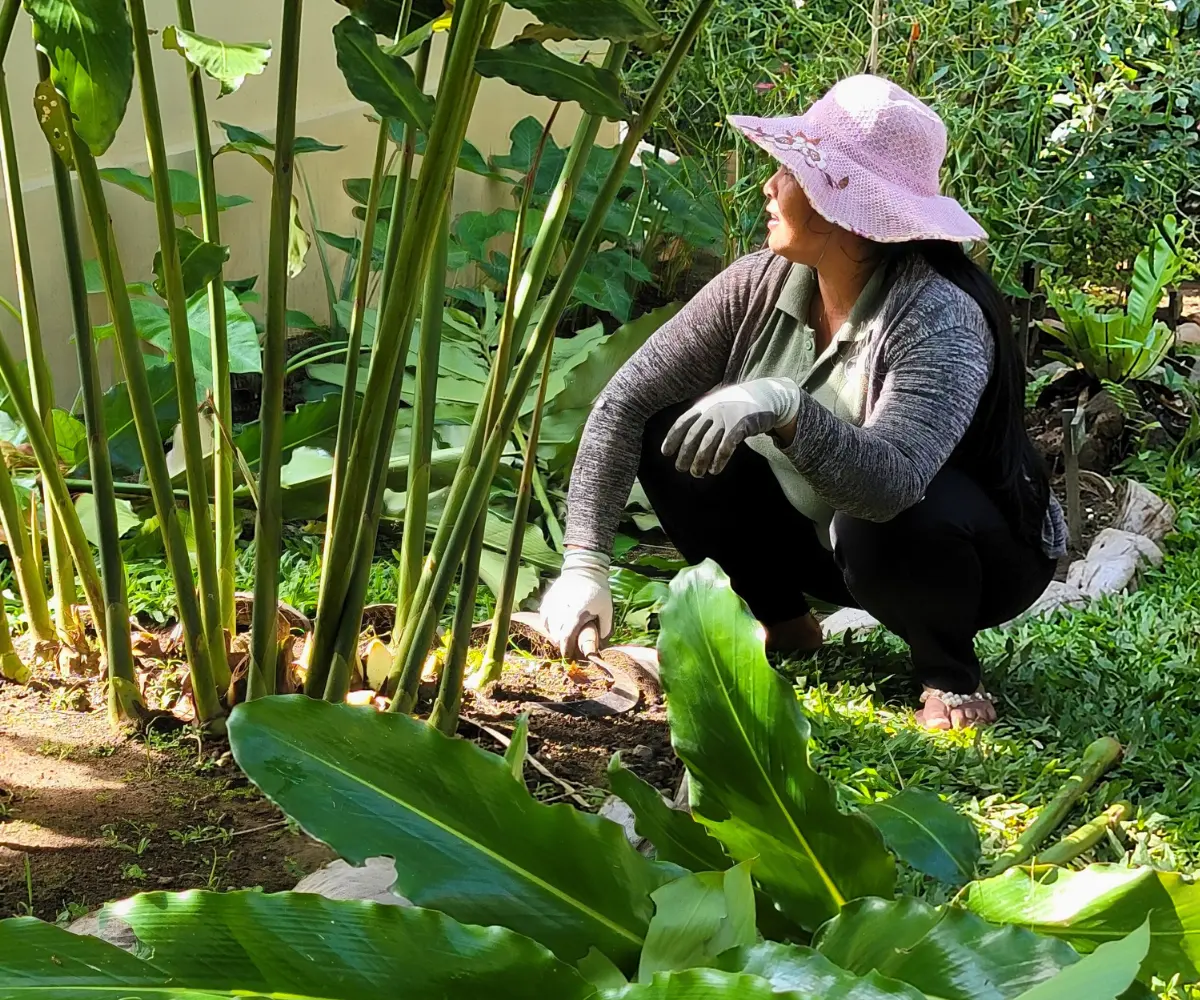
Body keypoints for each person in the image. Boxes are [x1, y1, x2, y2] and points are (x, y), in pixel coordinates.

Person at [539, 75, 1065, 731]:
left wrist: (784, 405)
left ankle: (947, 673)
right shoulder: (757, 284)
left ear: (839, 205)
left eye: (787, 171)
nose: (768, 185)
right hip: (825, 538)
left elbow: (891, 484)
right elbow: (625, 402)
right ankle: (783, 625)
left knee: (880, 516)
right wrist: (584, 563)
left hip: (975, 554)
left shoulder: (938, 316)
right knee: (669, 432)